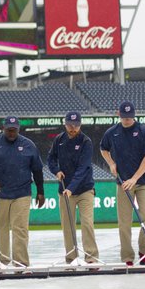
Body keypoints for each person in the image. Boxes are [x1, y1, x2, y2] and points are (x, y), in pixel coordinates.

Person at [100, 101, 145, 266]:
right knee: (124, 221)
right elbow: (103, 149)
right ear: (119, 114)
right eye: (124, 117)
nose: (127, 120)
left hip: (143, 181)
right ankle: (127, 257)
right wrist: (111, 163)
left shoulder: (144, 131)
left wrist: (134, 178)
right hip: (123, 183)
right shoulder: (112, 132)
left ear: (134, 115)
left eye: (130, 117)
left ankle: (143, 251)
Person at [0, 115, 44, 267]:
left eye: (14, 130)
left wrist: (40, 191)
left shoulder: (28, 145)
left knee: (20, 229)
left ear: (18, 129)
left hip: (22, 193)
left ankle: (21, 263)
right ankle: (2, 261)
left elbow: (37, 169)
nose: (11, 133)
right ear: (3, 128)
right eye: (9, 130)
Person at [48, 112, 99, 264]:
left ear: (80, 125)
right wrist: (56, 171)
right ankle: (71, 258)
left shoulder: (86, 141)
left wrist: (71, 188)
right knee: (68, 226)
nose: (73, 128)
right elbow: (51, 159)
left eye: (76, 125)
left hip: (84, 189)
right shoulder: (59, 140)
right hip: (64, 190)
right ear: (65, 124)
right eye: (70, 125)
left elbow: (83, 168)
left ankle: (91, 258)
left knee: (87, 223)